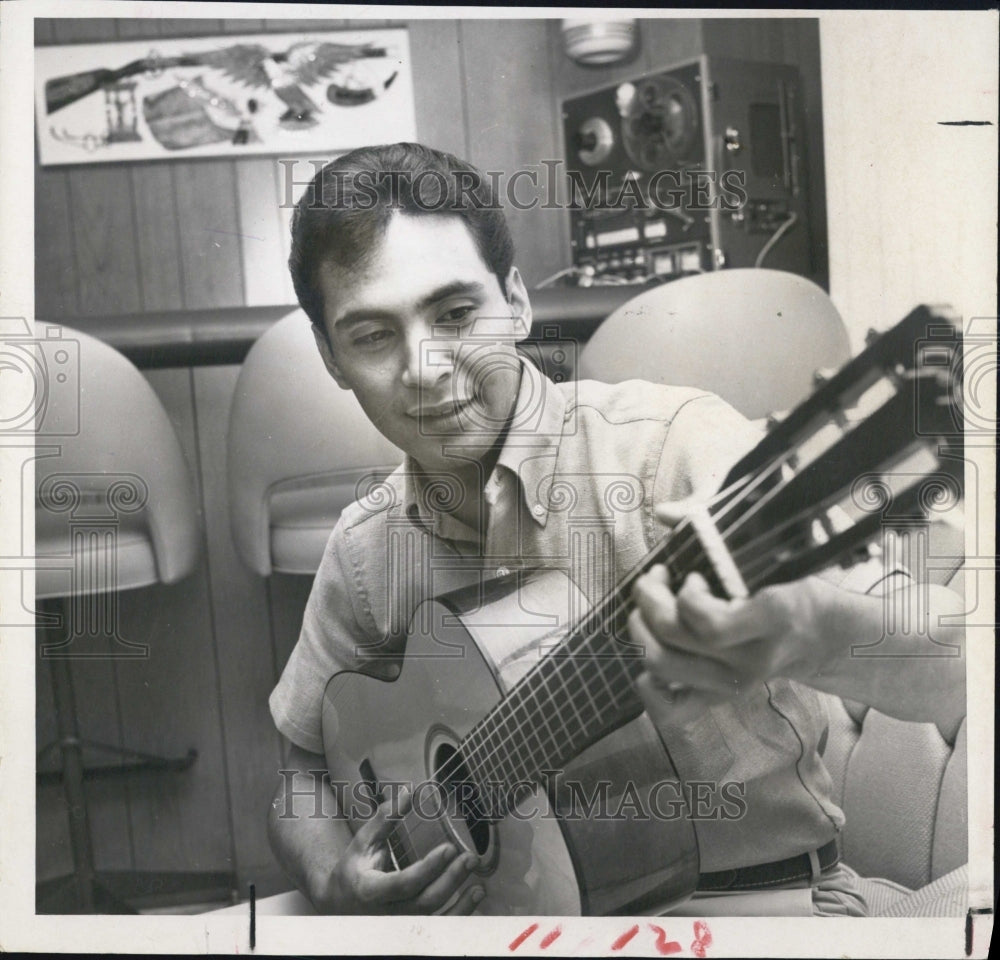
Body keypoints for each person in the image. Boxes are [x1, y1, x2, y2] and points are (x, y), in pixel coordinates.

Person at [266, 142, 965, 917]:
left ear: (517, 304)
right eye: (371, 337)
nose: (425, 367)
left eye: (456, 314)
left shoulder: (673, 446)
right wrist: (334, 872)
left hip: (749, 907)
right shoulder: (365, 550)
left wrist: (810, 634)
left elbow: (954, 672)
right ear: (332, 360)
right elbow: (299, 776)